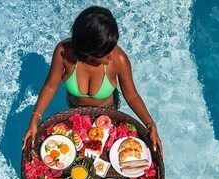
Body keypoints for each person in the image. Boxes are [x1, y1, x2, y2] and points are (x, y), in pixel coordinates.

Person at [22, 6, 163, 156]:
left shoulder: (119, 60)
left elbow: (132, 96)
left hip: (107, 114)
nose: (110, 57)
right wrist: (34, 119)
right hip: (75, 109)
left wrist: (150, 124)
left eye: (112, 47)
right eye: (105, 52)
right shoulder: (63, 53)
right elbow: (50, 87)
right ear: (88, 50)